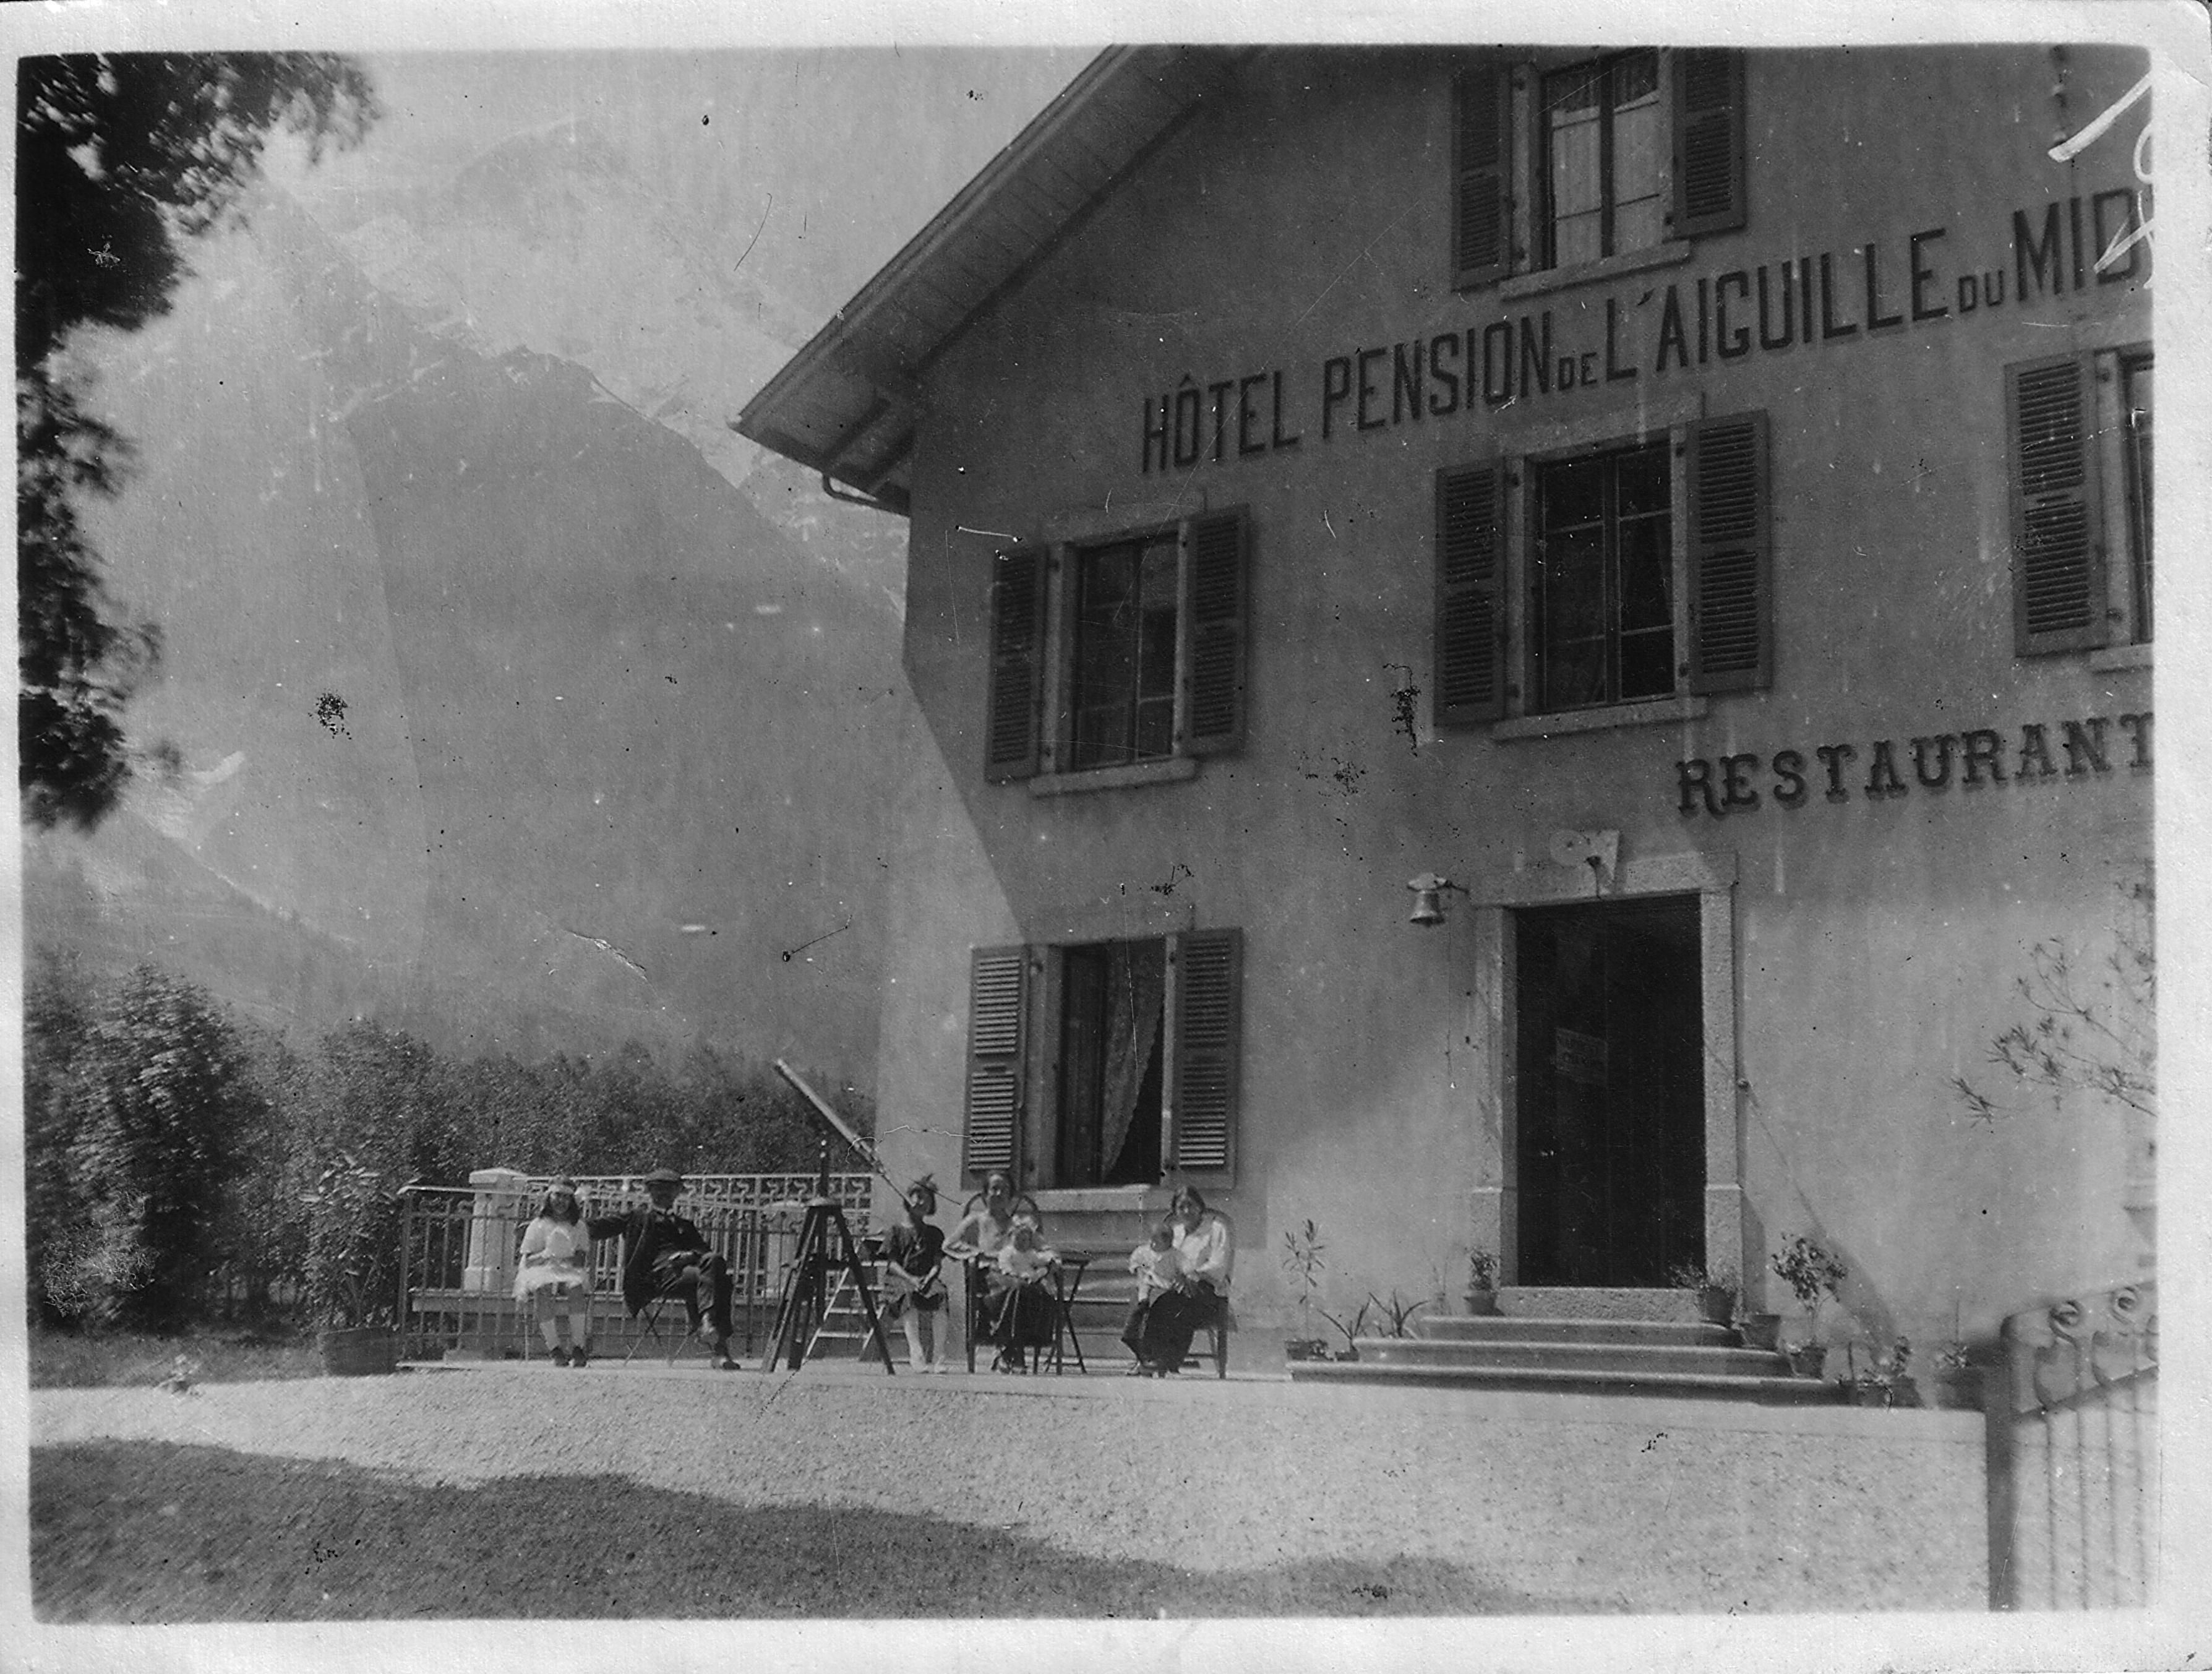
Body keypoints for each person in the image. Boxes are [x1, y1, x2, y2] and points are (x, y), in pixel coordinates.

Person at [586, 1167, 743, 1370]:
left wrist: (689, 1255)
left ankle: (708, 1324)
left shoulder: (685, 1225)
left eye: (669, 1190)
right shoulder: (637, 1218)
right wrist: (568, 1221)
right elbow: (599, 1227)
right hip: (654, 1278)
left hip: (684, 1277)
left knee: (716, 1269)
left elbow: (704, 1251)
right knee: (718, 1280)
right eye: (658, 1190)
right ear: (649, 1192)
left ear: (678, 1193)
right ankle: (716, 1344)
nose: (663, 1195)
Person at [945, 1169, 1036, 1370]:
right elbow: (949, 1245)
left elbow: (1040, 1246)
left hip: (1014, 1276)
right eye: (994, 1189)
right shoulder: (976, 1221)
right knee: (1016, 1288)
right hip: (987, 1279)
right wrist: (975, 1252)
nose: (999, 1194)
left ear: (1011, 1196)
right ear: (986, 1194)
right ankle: (1011, 1351)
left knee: (1025, 1288)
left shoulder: (1018, 1224)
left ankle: (1008, 1349)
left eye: (1004, 1190)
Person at [1136, 1188, 1232, 1374]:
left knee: (1172, 1304)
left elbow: (1219, 1265)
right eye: (1181, 1207)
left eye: (1191, 1206)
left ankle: (1165, 1360)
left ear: (1200, 1207)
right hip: (1175, 1289)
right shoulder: (1174, 1232)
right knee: (1149, 1300)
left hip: (1209, 1292)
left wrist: (1192, 1275)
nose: (1186, 1211)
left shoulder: (1216, 1229)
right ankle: (1148, 1359)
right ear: (1175, 1211)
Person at [513, 1179, 596, 1366]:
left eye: (566, 1197)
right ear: (549, 1197)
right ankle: (554, 1348)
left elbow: (581, 1259)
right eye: (557, 1195)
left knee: (575, 1288)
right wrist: (547, 1254)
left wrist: (564, 1254)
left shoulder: (578, 1226)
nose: (561, 1201)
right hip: (541, 1268)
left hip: (568, 1268)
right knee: (544, 1288)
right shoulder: (538, 1224)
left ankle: (578, 1347)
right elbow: (528, 1260)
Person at [881, 1177, 948, 1374]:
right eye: (917, 1196)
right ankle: (916, 1353)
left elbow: (937, 1264)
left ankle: (939, 1356)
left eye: (927, 1200)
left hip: (926, 1279)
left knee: (941, 1296)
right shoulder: (895, 1231)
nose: (921, 1202)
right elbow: (892, 1264)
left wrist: (929, 1278)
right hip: (899, 1280)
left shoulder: (935, 1233)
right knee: (909, 1297)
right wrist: (911, 1279)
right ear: (907, 1199)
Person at [988, 1217, 1060, 1372]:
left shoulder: (1030, 1253)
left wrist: (1046, 1268)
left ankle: (1007, 1349)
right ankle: (1016, 1354)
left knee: (1021, 1294)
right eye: (1018, 1239)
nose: (1022, 1243)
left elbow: (1046, 1258)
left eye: (1025, 1240)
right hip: (1007, 1286)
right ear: (1011, 1238)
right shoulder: (1007, 1252)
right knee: (1016, 1292)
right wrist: (1017, 1276)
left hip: (1029, 1291)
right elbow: (1005, 1267)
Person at [1118, 1219, 1181, 1373]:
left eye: (1164, 1241)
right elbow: (1134, 1264)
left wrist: (1181, 1277)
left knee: (1156, 1319)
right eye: (1154, 1240)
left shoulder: (1175, 1254)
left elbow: (1185, 1269)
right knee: (1138, 1314)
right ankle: (1143, 1357)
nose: (1156, 1245)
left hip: (1164, 1289)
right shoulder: (1144, 1251)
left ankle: (1150, 1360)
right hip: (1145, 1286)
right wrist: (1139, 1268)